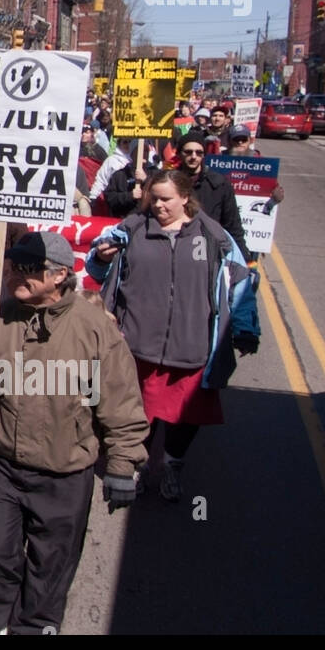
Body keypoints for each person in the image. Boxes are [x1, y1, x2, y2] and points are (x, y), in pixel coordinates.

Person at [0, 232, 148, 634]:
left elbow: (119, 399)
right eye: (13, 266)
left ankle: (35, 626)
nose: (15, 276)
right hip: (1, 464)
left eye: (29, 269)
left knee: (52, 562)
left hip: (64, 470)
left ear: (60, 275)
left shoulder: (95, 329)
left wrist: (122, 463)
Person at [86, 170, 260, 503]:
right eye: (154, 198)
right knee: (137, 416)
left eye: (166, 199)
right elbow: (97, 269)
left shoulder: (213, 235)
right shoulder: (131, 229)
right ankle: (136, 468)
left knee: (185, 418)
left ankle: (172, 466)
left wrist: (246, 329)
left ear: (184, 197)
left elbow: (241, 283)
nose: (158, 205)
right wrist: (100, 256)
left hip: (192, 347)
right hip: (135, 346)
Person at [174, 126, 252, 261]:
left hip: (208, 253)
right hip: (175, 248)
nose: (194, 156)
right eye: (188, 152)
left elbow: (233, 226)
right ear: (180, 153)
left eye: (199, 153)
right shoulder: (169, 182)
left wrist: (245, 260)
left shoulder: (219, 184)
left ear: (204, 155)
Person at [226, 124, 285, 205]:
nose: (240, 142)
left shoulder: (262, 163)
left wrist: (277, 194)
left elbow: (273, 187)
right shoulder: (219, 160)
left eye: (244, 139)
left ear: (250, 141)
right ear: (229, 141)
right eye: (236, 139)